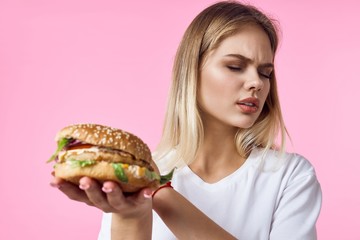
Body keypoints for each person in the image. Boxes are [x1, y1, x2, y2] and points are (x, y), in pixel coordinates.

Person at [50, 1, 322, 239]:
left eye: (265, 72)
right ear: (191, 71)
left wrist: (158, 192)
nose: (256, 83)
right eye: (235, 66)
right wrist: (130, 215)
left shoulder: (290, 177)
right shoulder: (134, 178)